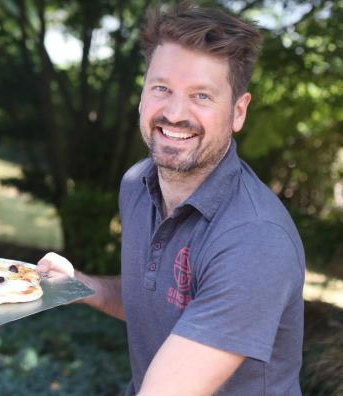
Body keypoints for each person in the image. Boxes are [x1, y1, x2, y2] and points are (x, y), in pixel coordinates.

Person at [38, 2, 305, 395]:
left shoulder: (255, 240)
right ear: (143, 94)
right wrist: (78, 285)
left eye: (201, 95)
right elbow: (158, 303)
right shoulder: (137, 185)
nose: (175, 113)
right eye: (162, 88)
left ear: (238, 112)